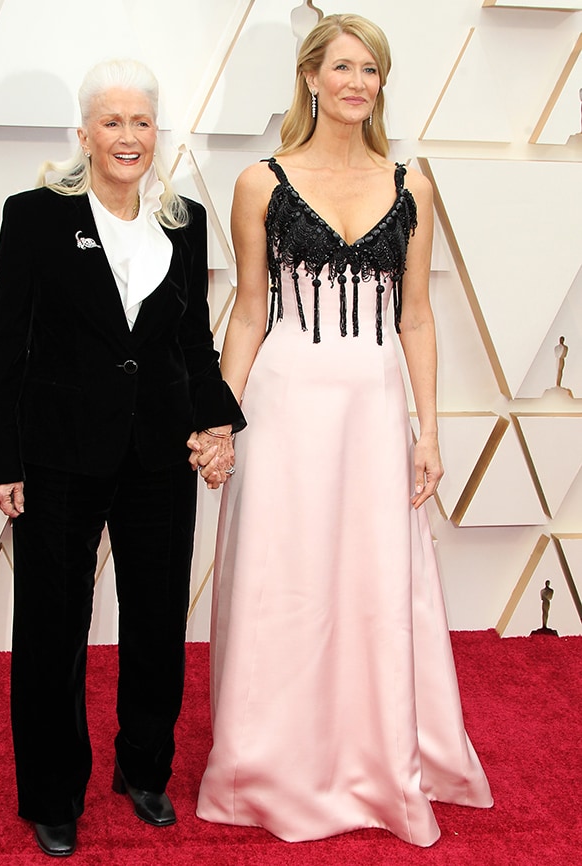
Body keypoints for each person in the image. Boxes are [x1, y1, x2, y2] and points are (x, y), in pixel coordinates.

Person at [195, 14, 493, 847]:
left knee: (371, 582)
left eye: (372, 71)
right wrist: (221, 418)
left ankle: (375, 749)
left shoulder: (414, 186)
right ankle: (270, 757)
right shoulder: (261, 181)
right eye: (345, 68)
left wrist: (428, 432)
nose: (358, 83)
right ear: (312, 77)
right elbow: (249, 314)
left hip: (372, 410)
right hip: (286, 407)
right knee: (283, 579)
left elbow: (421, 321)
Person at [0, 58, 243, 858]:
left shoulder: (185, 217)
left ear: (155, 132)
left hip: (161, 451)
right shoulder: (33, 215)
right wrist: (4, 458)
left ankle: (145, 770)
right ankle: (53, 791)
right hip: (58, 453)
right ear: (84, 134)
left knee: (159, 618)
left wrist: (217, 423)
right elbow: (7, 341)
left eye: (141, 122)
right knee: (52, 626)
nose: (128, 137)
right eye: (112, 121)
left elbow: (191, 338)